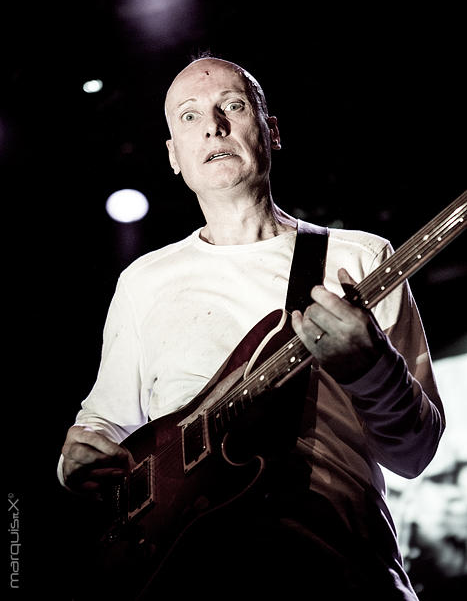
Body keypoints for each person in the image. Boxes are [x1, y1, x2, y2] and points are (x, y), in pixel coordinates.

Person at [59, 56, 445, 599]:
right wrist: (78, 457)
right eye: (188, 117)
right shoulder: (143, 281)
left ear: (272, 131)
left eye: (233, 107)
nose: (213, 125)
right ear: (174, 156)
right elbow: (105, 426)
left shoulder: (359, 259)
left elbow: (416, 452)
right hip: (188, 577)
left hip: (343, 574)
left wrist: (372, 370)